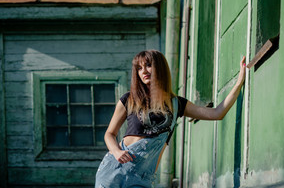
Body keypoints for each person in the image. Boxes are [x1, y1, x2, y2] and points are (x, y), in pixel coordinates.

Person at [95, 50, 246, 188]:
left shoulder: (176, 104)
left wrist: (239, 82)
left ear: (160, 68)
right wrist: (116, 152)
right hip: (114, 170)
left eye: (148, 65)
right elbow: (110, 134)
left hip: (142, 178)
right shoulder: (129, 99)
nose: (144, 71)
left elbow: (216, 113)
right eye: (139, 68)